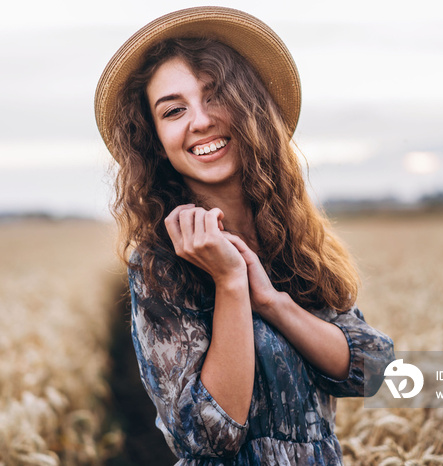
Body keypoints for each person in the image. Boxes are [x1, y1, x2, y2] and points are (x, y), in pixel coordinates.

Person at [94, 7, 394, 465]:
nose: (200, 120)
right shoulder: (160, 263)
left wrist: (272, 300)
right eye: (174, 110)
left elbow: (371, 367)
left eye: (215, 96)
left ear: (249, 105)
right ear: (155, 140)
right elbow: (208, 438)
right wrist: (230, 282)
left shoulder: (292, 234)